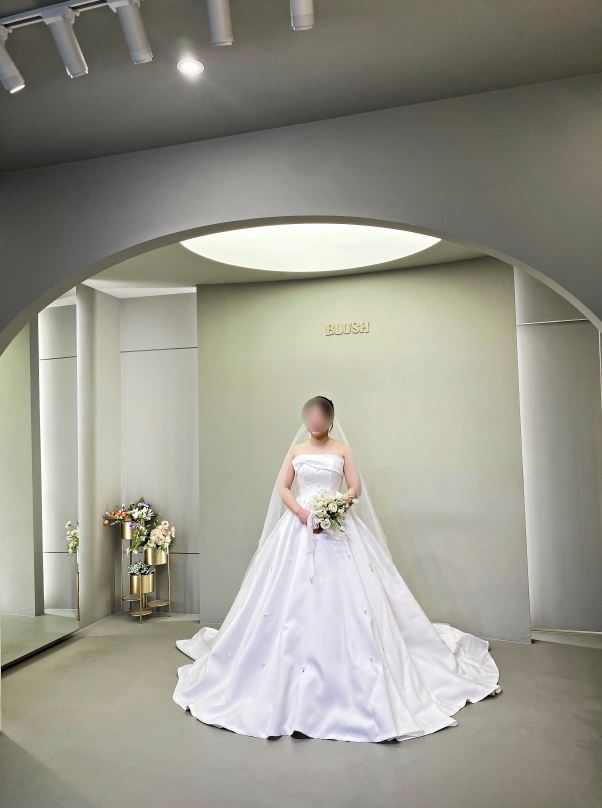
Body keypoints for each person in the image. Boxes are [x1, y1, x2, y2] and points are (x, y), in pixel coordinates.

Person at [173, 395, 502, 743]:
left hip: (336, 526)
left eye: (322, 416)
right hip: (298, 527)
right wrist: (302, 514)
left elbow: (355, 487)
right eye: (311, 416)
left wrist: (335, 507)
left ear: (330, 420)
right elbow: (283, 487)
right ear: (306, 419)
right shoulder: (296, 450)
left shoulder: (343, 450)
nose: (316, 421)